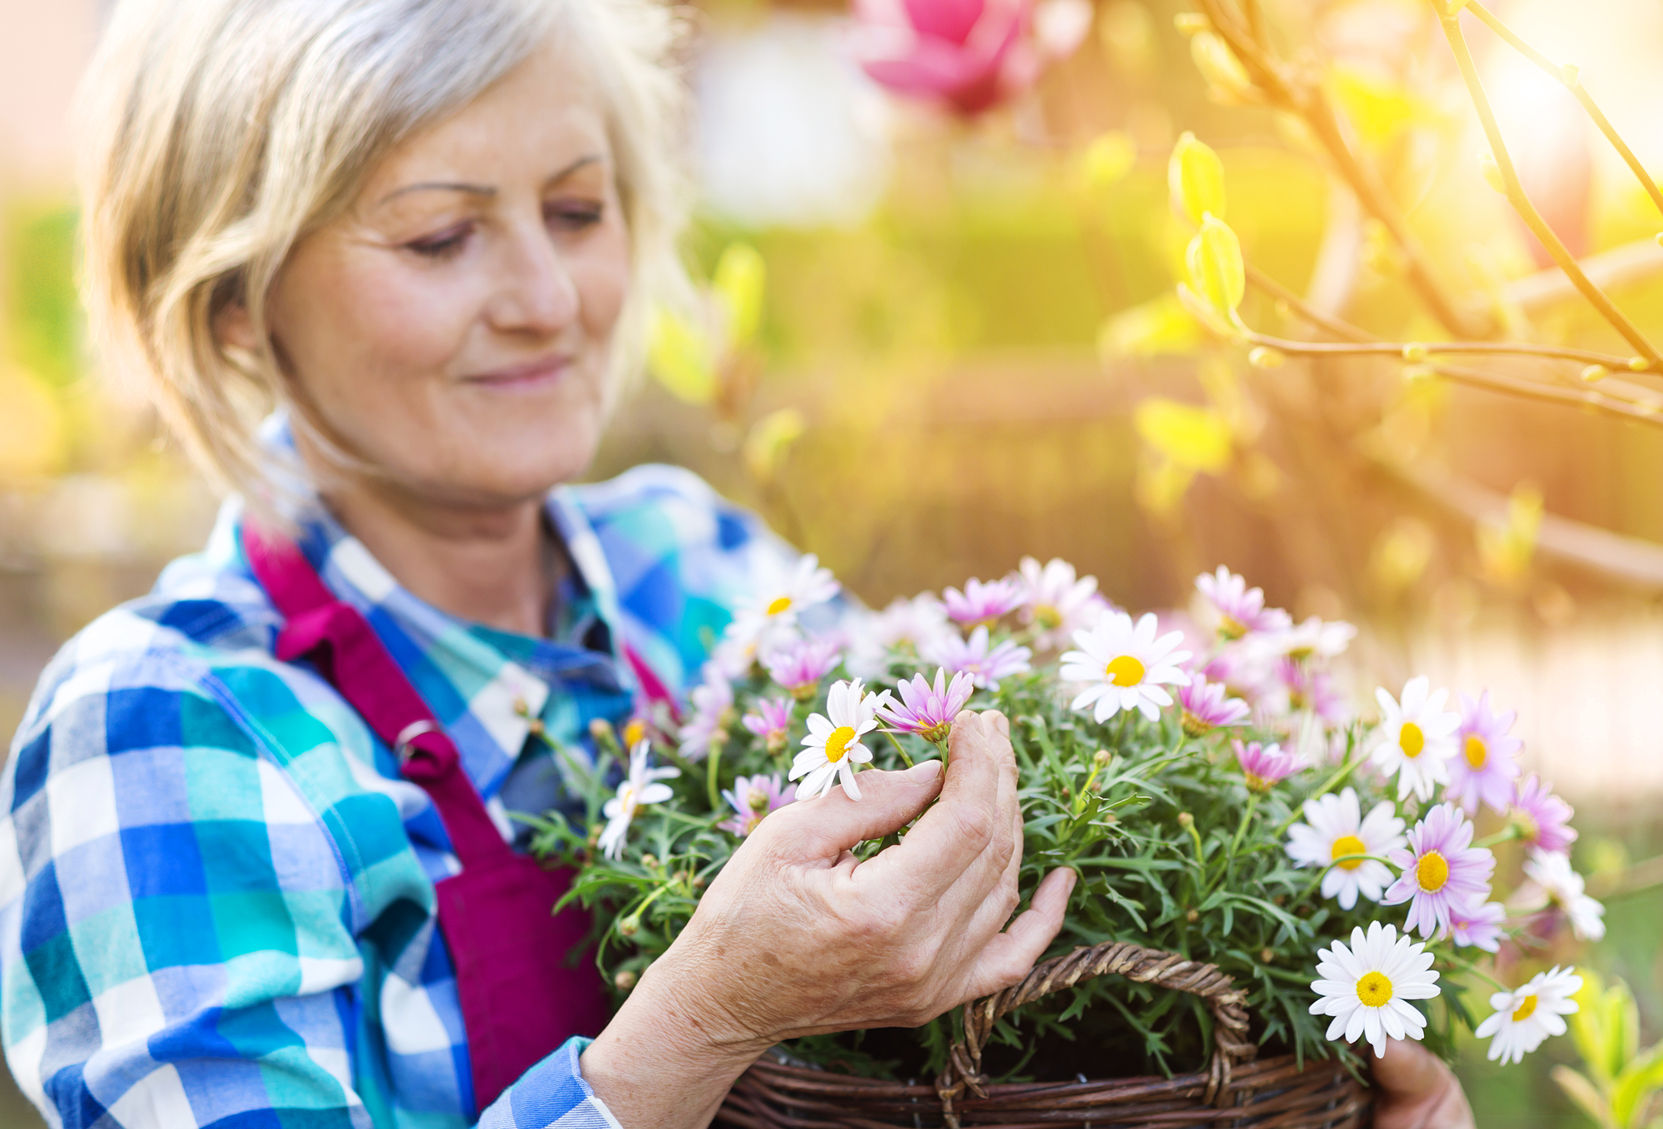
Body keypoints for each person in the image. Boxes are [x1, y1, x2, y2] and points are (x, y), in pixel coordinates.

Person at [0, 2, 1475, 1127]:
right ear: (235, 307)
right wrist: (703, 1015)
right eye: (442, 236)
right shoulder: (167, 725)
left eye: (579, 212)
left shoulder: (687, 565)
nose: (545, 297)